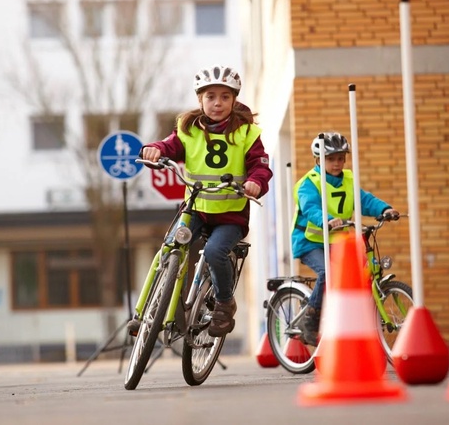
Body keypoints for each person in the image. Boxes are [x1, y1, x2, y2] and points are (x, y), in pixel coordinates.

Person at [131, 65, 273, 338]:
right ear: (200, 100)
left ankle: (224, 302)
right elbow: (169, 145)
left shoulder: (247, 133)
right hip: (195, 209)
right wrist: (154, 150)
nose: (217, 103)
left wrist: (255, 181)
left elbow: (260, 165)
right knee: (169, 247)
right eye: (210, 97)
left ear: (234, 100)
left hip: (230, 214)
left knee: (214, 252)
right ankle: (145, 311)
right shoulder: (188, 129)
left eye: (224, 97)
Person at [291, 132, 399, 345]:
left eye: (341, 158)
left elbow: (364, 200)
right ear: (318, 160)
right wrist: (328, 220)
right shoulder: (309, 183)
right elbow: (311, 208)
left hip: (336, 242)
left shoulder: (348, 180)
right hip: (309, 242)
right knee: (328, 272)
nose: (337, 163)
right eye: (331, 159)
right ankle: (310, 320)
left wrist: (385, 209)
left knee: (365, 269)